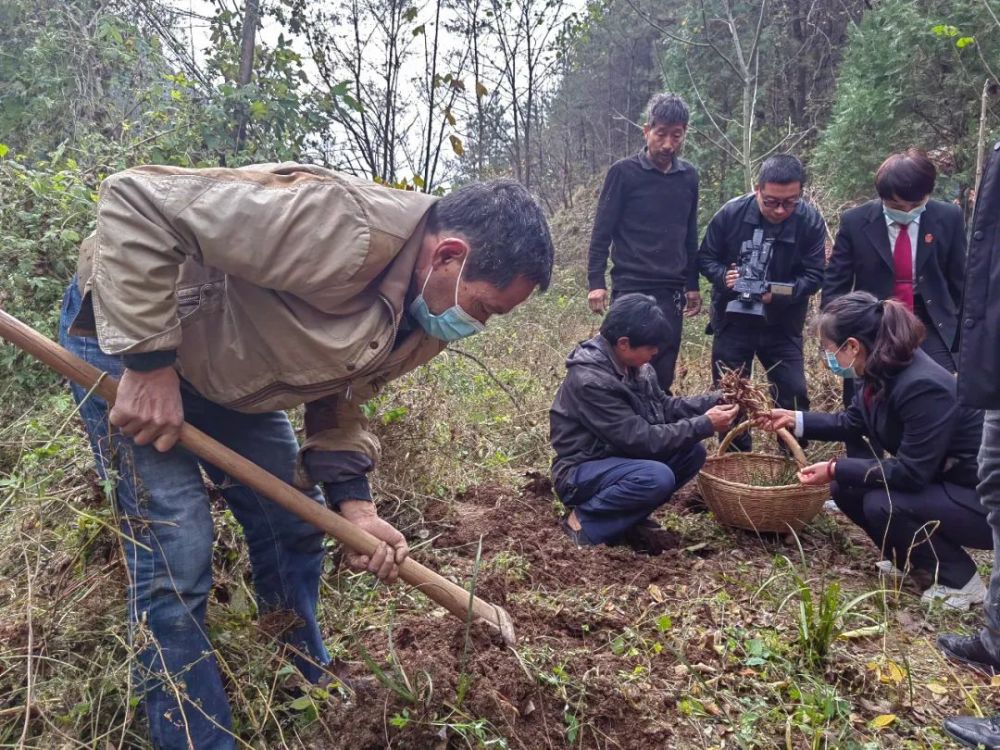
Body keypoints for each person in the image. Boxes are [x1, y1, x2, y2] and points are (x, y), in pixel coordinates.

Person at [59, 162, 554, 749]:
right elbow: (135, 202)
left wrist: (356, 507)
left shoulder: (427, 321)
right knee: (177, 548)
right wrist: (148, 363)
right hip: (130, 335)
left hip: (232, 367)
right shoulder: (341, 227)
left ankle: (302, 679)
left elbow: (342, 395)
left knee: (293, 522)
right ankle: (196, 737)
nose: (478, 324)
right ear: (448, 256)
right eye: (486, 308)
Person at [756, 292, 989, 610]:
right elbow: (852, 421)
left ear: (852, 346)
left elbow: (911, 473)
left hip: (979, 499)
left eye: (828, 350)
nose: (829, 358)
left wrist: (836, 465)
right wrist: (794, 419)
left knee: (883, 503)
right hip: (942, 483)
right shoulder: (879, 368)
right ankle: (907, 557)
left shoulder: (923, 385)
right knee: (846, 486)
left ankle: (960, 580)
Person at [549, 293, 738, 551]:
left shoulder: (637, 368)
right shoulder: (591, 380)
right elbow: (641, 439)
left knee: (691, 453)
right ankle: (583, 521)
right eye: (650, 347)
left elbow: (663, 407)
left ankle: (628, 519)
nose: (655, 353)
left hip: (618, 459)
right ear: (624, 343)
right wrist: (705, 424)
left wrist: (713, 401)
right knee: (655, 477)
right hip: (581, 470)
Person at [822, 149, 966, 458]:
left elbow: (959, 279)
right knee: (863, 399)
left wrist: (963, 334)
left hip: (929, 320)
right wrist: (834, 337)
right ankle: (861, 474)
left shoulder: (948, 217)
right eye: (897, 206)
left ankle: (925, 471)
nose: (907, 211)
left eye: (916, 205)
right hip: (872, 322)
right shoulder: (856, 221)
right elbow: (835, 283)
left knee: (932, 395)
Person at [936, 139, 1000, 750]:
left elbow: (906, 470)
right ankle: (995, 642)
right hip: (994, 369)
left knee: (878, 497)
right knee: (996, 486)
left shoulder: (919, 385)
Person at [699, 154, 826, 452]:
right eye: (771, 201)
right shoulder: (731, 214)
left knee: (793, 393)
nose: (780, 210)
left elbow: (815, 275)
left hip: (782, 324)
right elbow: (705, 257)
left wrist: (777, 292)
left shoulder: (809, 221)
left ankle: (793, 463)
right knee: (731, 397)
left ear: (800, 194)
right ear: (757, 189)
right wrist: (724, 278)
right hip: (733, 320)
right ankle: (736, 465)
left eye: (790, 202)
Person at [586, 93, 702, 393]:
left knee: (662, 369)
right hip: (631, 284)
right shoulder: (624, 173)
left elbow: (689, 233)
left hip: (670, 289)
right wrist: (595, 282)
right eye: (661, 134)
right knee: (623, 365)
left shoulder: (688, 176)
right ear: (646, 130)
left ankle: (658, 433)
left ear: (684, 133)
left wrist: (692, 285)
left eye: (676, 136)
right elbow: (602, 231)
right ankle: (621, 429)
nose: (668, 144)